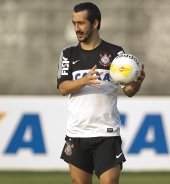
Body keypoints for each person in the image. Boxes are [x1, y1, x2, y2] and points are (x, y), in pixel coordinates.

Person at [57, 2, 145, 184]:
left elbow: (128, 91)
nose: (76, 28)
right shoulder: (68, 54)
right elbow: (63, 88)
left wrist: (136, 83)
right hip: (77, 132)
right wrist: (83, 80)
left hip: (107, 132)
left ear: (95, 23)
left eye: (81, 23)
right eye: (74, 23)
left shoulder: (115, 53)